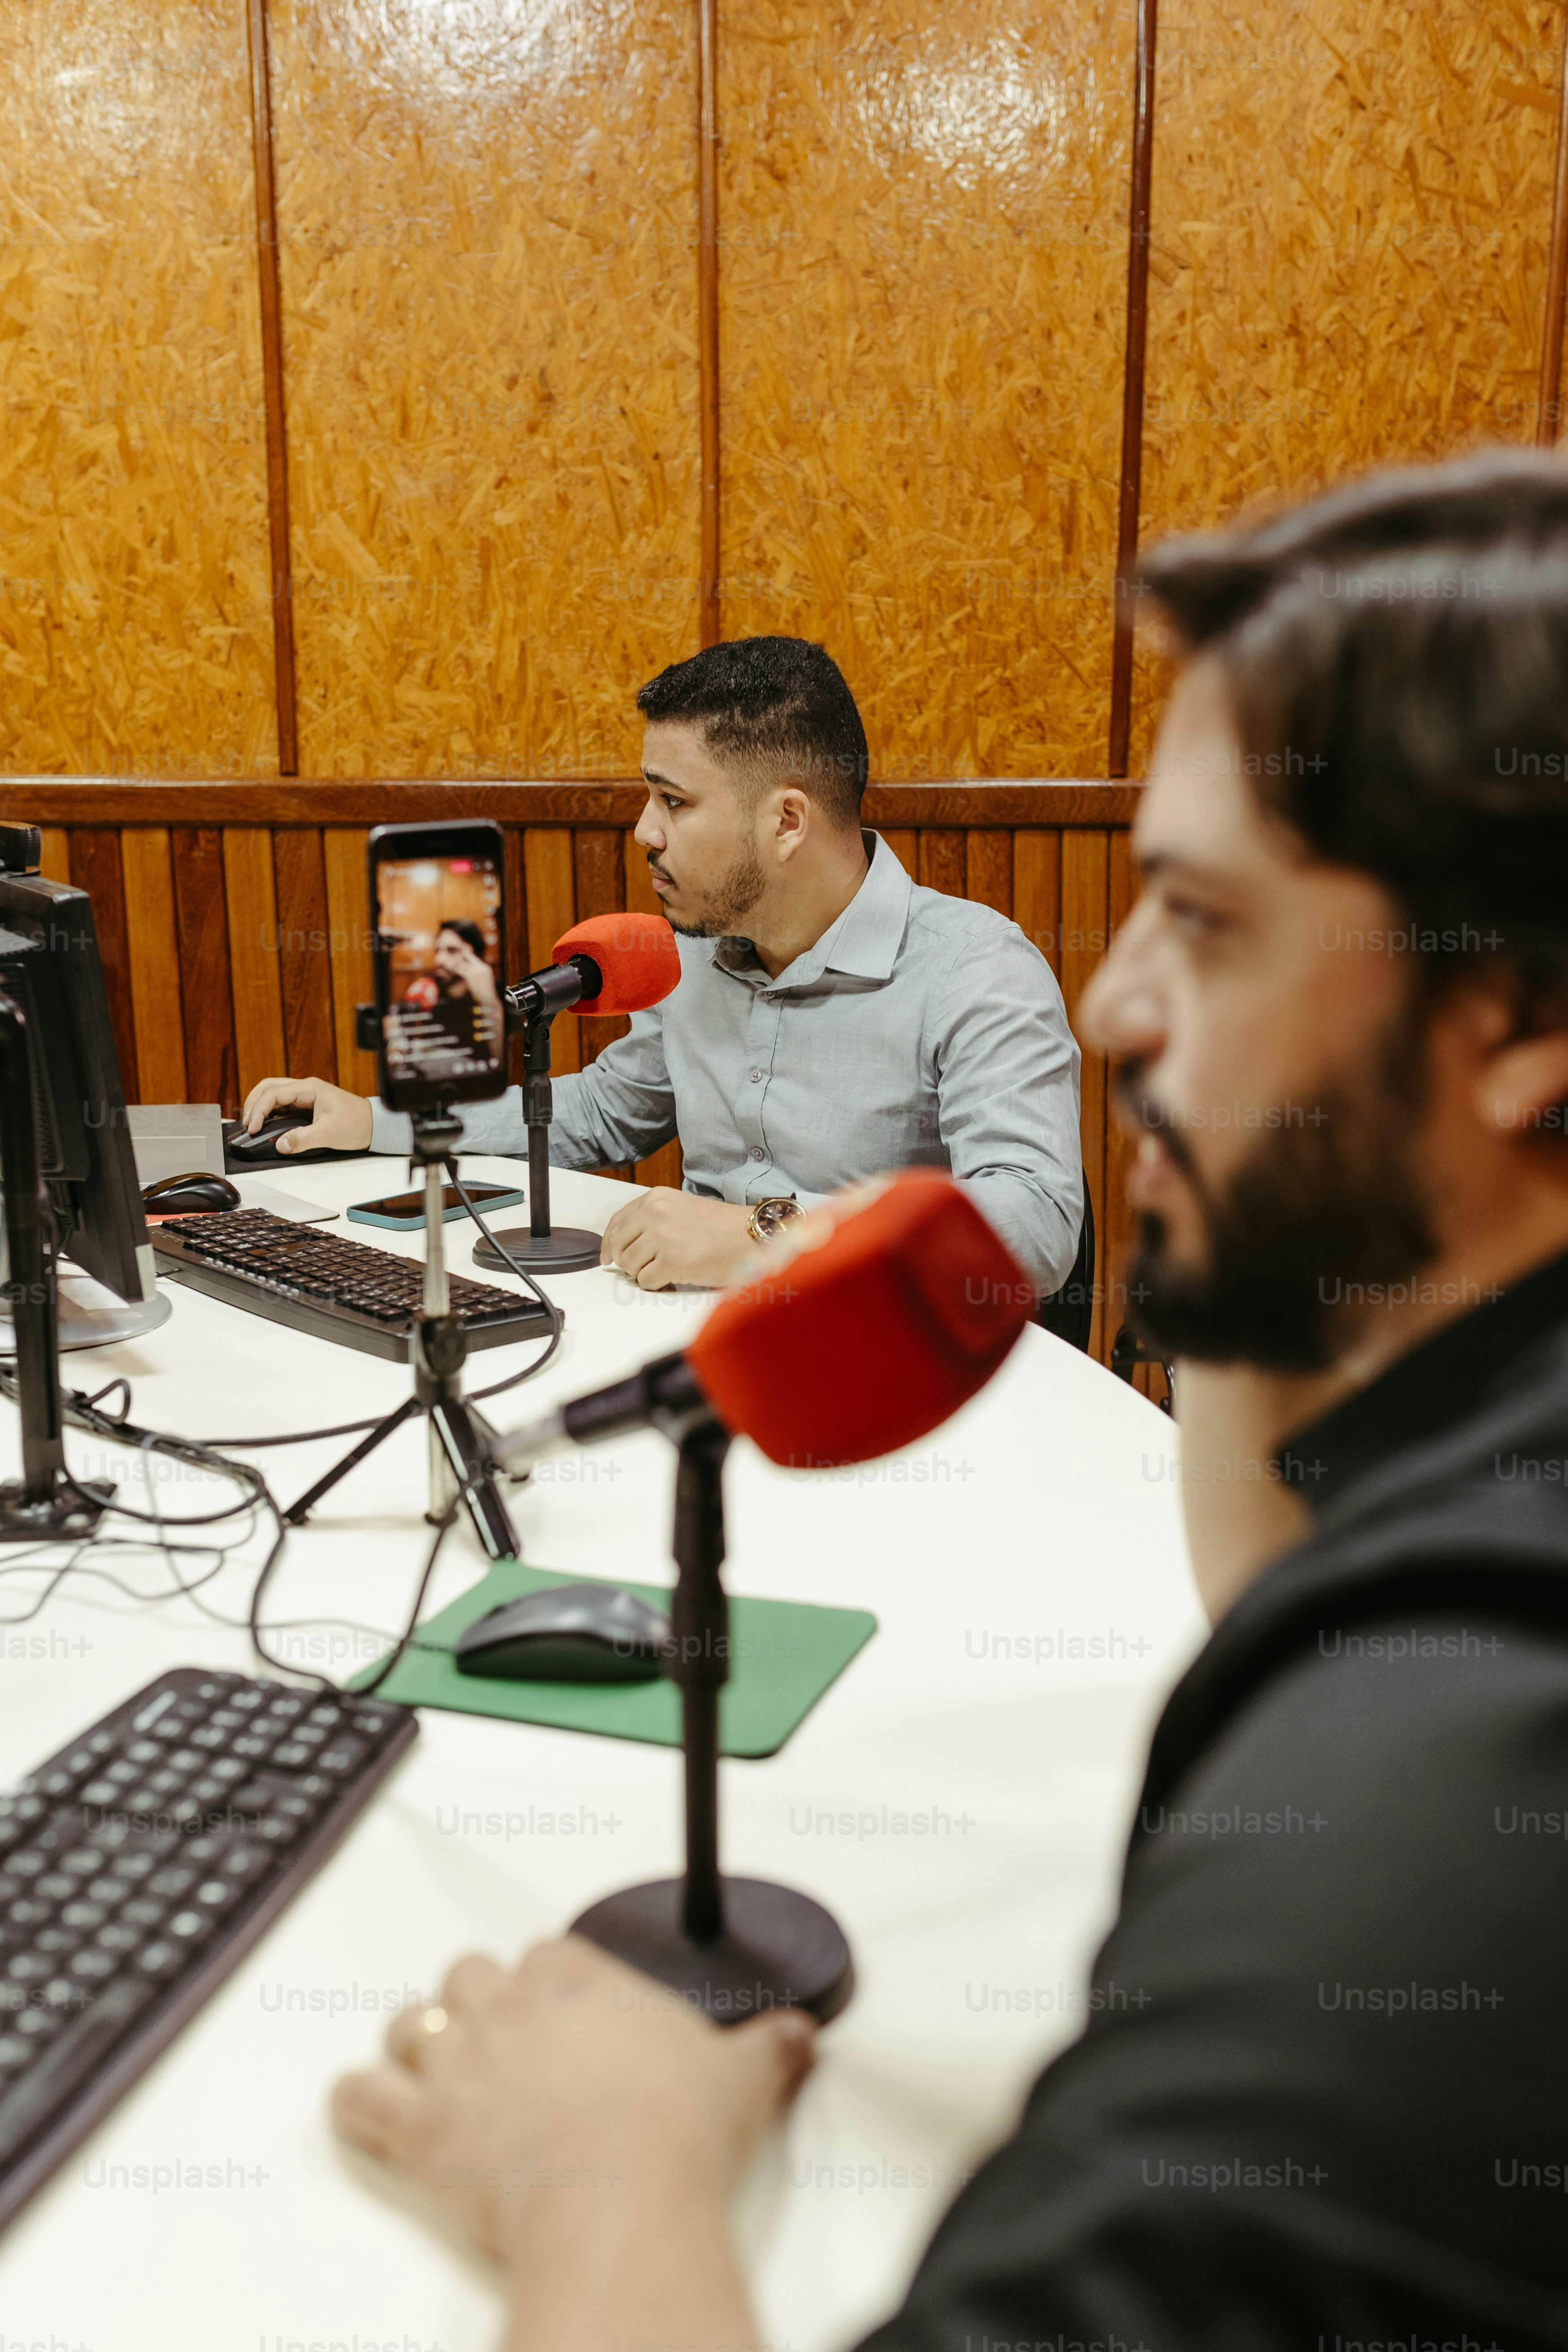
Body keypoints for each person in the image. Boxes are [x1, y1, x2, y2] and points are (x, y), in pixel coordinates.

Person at [329, 449, 1568, 2349]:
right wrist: (396, 1117)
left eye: (1204, 920)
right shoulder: (703, 980)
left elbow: (1029, 1233)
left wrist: (605, 2173)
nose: (1113, 1006)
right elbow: (577, 1137)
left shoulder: (1440, 1780)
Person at [239, 636, 1083, 1294]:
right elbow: (604, 1110)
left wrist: (768, 1234)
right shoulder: (694, 953)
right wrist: (379, 1122)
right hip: (696, 1349)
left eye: (674, 802)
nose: (645, 832)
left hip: (891, 1375)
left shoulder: (977, 971)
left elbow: (1034, 1227)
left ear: (787, 820)